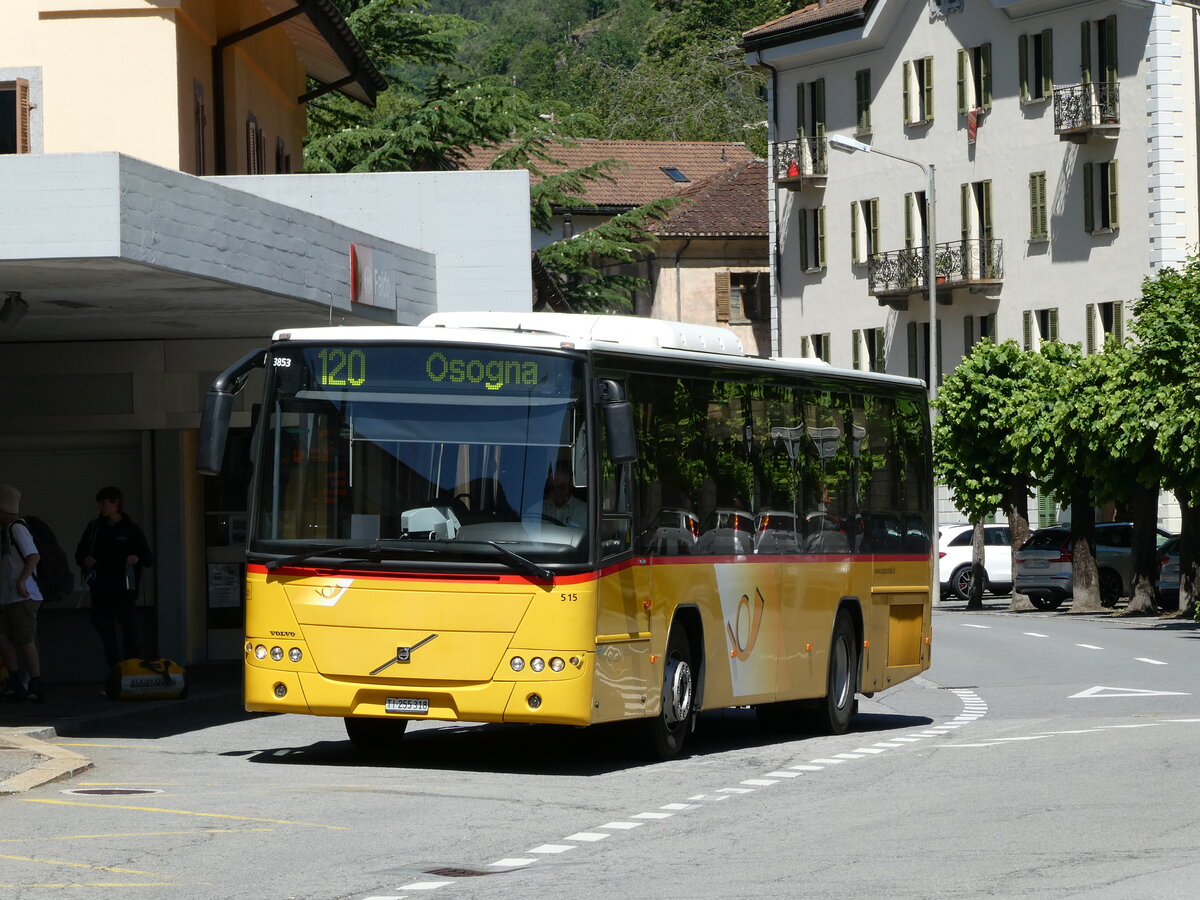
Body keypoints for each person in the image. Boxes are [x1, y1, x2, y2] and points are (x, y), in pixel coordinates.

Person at [75, 486, 154, 671]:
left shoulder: (131, 529)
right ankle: (116, 671)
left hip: (125, 588)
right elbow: (80, 553)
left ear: (116, 504)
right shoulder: (94, 528)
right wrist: (84, 560)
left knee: (130, 630)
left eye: (104, 503)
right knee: (107, 632)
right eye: (100, 503)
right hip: (101, 589)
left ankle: (132, 670)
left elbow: (147, 557)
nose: (101, 507)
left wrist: (136, 558)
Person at [0, 485, 46, 702]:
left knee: (26, 639)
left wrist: (21, 580)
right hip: (10, 596)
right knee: (5, 637)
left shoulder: (17, 528)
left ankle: (35, 684)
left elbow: (34, 556)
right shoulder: (6, 530)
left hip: (24, 595)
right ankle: (16, 680)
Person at [537, 461, 587, 528]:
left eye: (561, 487)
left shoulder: (585, 512)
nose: (557, 492)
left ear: (570, 485)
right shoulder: (537, 510)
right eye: (552, 488)